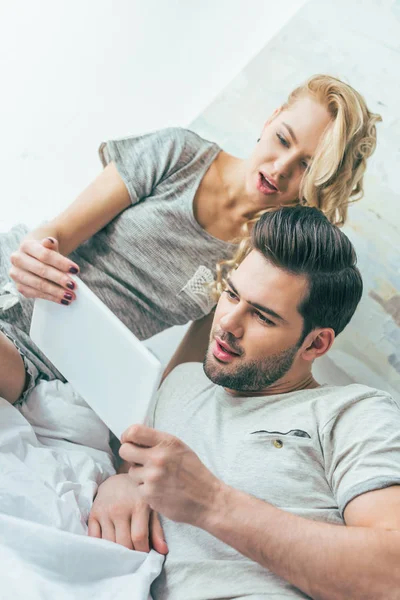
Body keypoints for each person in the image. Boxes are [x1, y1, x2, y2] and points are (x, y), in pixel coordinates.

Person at [0, 75, 380, 405]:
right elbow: (56, 235)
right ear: (271, 119)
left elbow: (182, 378)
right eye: (283, 140)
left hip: (41, 353)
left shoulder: (260, 264)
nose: (280, 169)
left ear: (322, 184)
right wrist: (35, 254)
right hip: (14, 275)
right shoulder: (178, 153)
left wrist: (142, 441)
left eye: (307, 167)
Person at [90, 206, 400, 599]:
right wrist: (119, 482)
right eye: (232, 294)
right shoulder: (181, 382)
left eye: (263, 317)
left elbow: (392, 575)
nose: (227, 324)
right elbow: (136, 466)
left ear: (316, 343)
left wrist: (211, 502)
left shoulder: (354, 413)